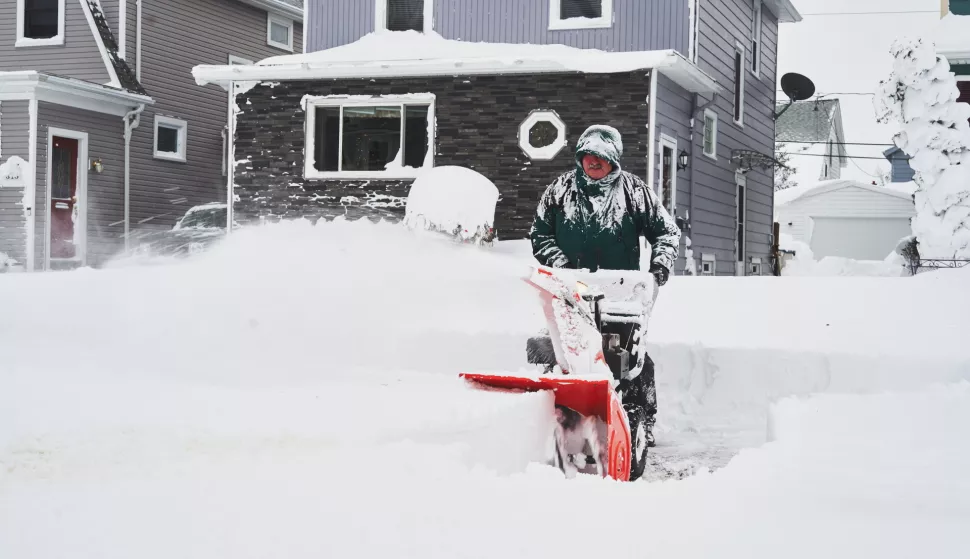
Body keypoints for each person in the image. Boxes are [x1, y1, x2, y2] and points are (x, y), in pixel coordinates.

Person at [529, 124, 681, 458]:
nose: (595, 162)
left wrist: (659, 266)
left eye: (602, 157)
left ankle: (642, 420)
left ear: (614, 160)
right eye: (589, 156)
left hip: (620, 294)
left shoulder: (634, 192)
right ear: (580, 157)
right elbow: (539, 233)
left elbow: (667, 232)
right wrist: (561, 263)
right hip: (570, 291)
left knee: (628, 359)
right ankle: (549, 415)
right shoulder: (559, 191)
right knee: (552, 349)